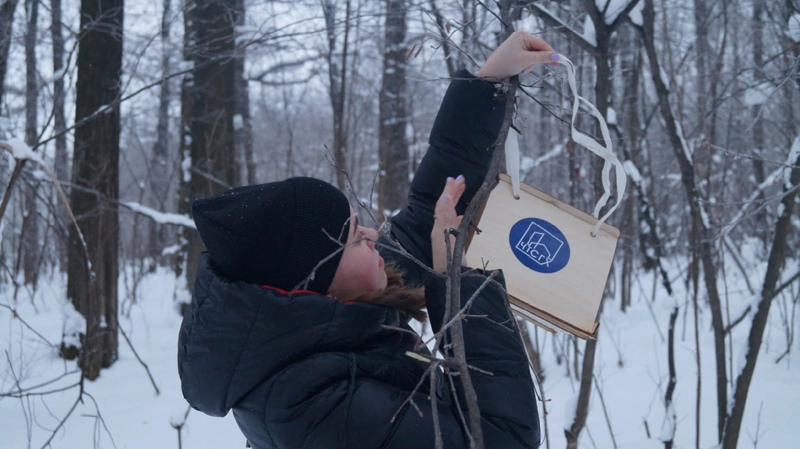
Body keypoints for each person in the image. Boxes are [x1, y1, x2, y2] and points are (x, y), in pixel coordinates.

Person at [178, 31, 558, 449]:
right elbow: (504, 440)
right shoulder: (312, 412)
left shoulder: (326, 320)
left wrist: (488, 84)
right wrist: (454, 282)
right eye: (355, 237)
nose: (374, 234)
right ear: (311, 281)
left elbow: (425, 214)